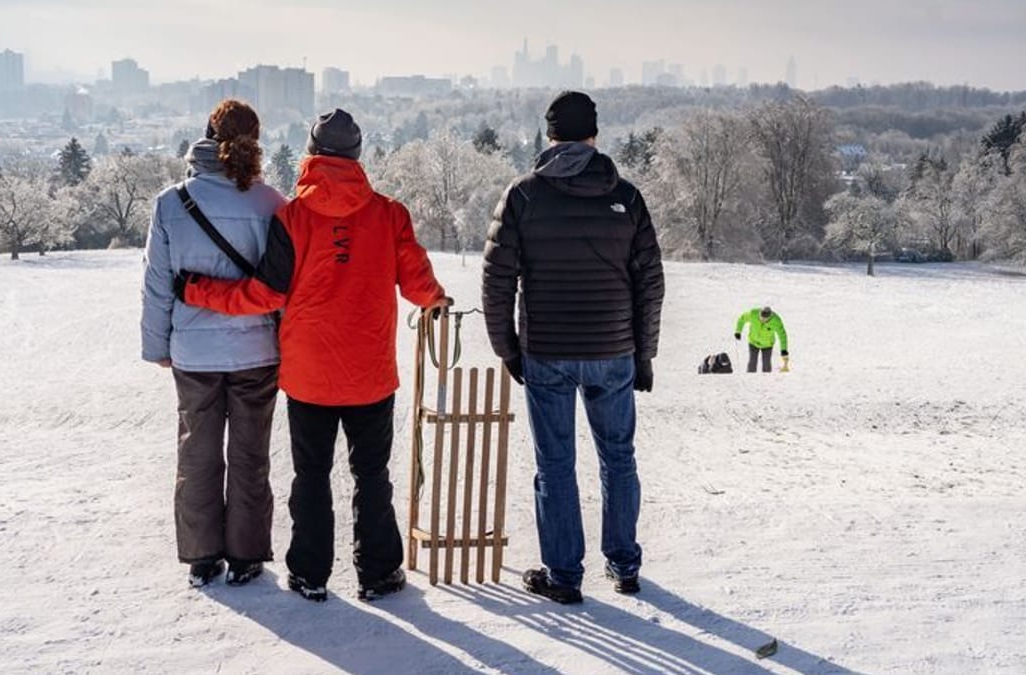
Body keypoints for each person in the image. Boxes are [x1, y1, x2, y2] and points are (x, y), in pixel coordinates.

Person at [175, 109, 449, 602]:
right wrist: (439, 300)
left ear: (312, 155)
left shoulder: (292, 217)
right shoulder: (389, 214)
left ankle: (309, 572)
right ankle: (380, 573)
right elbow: (418, 285)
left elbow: (265, 295)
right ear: (357, 155)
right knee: (372, 475)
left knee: (312, 475)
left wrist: (198, 292)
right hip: (370, 375)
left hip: (308, 375)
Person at [482, 91, 665, 604]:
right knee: (619, 457)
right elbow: (650, 280)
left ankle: (564, 576)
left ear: (550, 136)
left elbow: (498, 279)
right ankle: (624, 564)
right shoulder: (626, 197)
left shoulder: (522, 195)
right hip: (614, 350)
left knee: (556, 464)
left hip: (548, 351)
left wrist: (508, 349)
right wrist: (642, 354)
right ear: (595, 135)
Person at [140, 99, 288, 588]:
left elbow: (158, 283)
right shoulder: (272, 204)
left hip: (194, 352)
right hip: (257, 352)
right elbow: (288, 286)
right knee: (251, 454)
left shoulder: (171, 203)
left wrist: (157, 344)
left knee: (197, 452)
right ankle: (246, 556)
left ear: (205, 137)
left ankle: (203, 555)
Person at [734, 306, 789, 373]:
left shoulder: (776, 321)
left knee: (766, 364)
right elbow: (742, 319)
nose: (762, 320)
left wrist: (784, 349)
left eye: (764, 319)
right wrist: (738, 331)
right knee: (752, 362)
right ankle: (750, 378)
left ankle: (766, 380)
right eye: (761, 317)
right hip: (753, 342)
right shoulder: (753, 314)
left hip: (767, 344)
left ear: (769, 317)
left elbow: (782, 335)